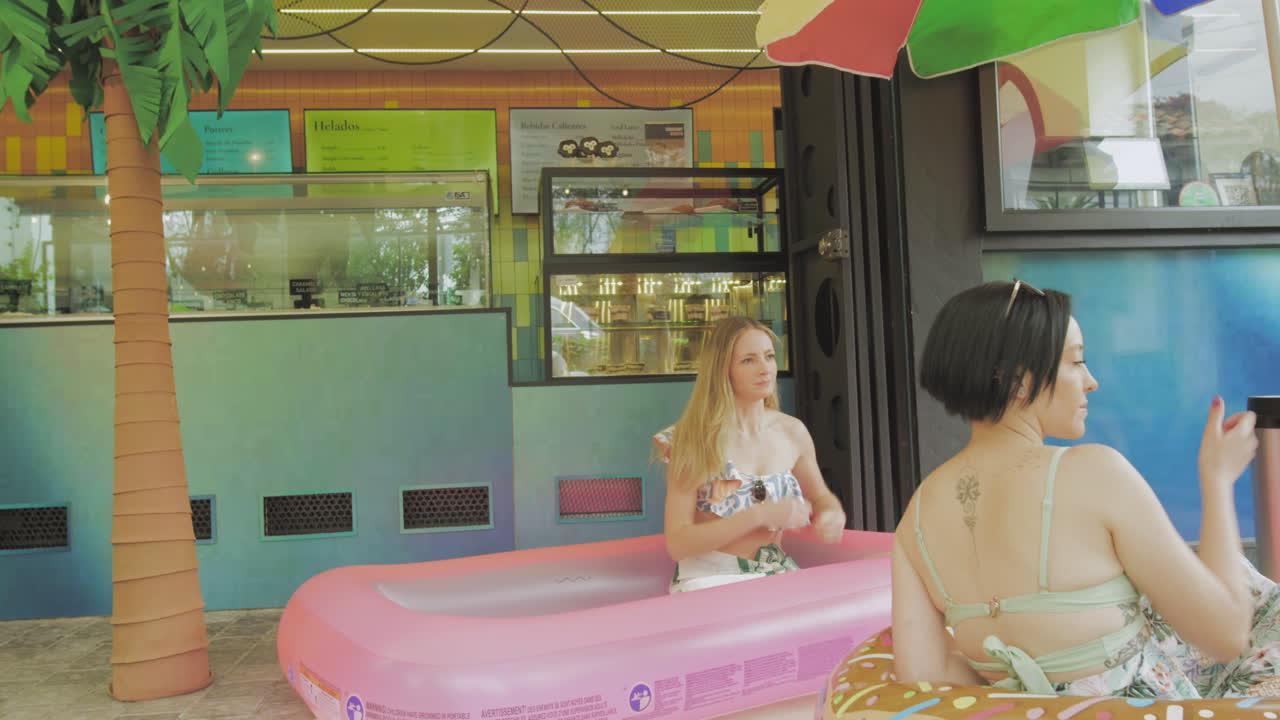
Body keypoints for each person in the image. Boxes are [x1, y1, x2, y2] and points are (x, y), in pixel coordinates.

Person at [893, 280, 1271, 698]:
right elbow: (1226, 635)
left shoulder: (917, 516)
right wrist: (1217, 481)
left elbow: (921, 675)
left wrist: (1024, 673)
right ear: (1017, 377)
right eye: (1076, 362)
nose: (1091, 381)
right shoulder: (1094, 473)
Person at [655, 316, 847, 594]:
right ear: (723, 370)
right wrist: (758, 515)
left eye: (769, 357)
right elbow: (678, 543)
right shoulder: (692, 438)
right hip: (710, 581)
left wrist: (831, 513)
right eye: (748, 360)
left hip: (778, 575)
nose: (765, 369)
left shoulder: (793, 431)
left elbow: (821, 497)